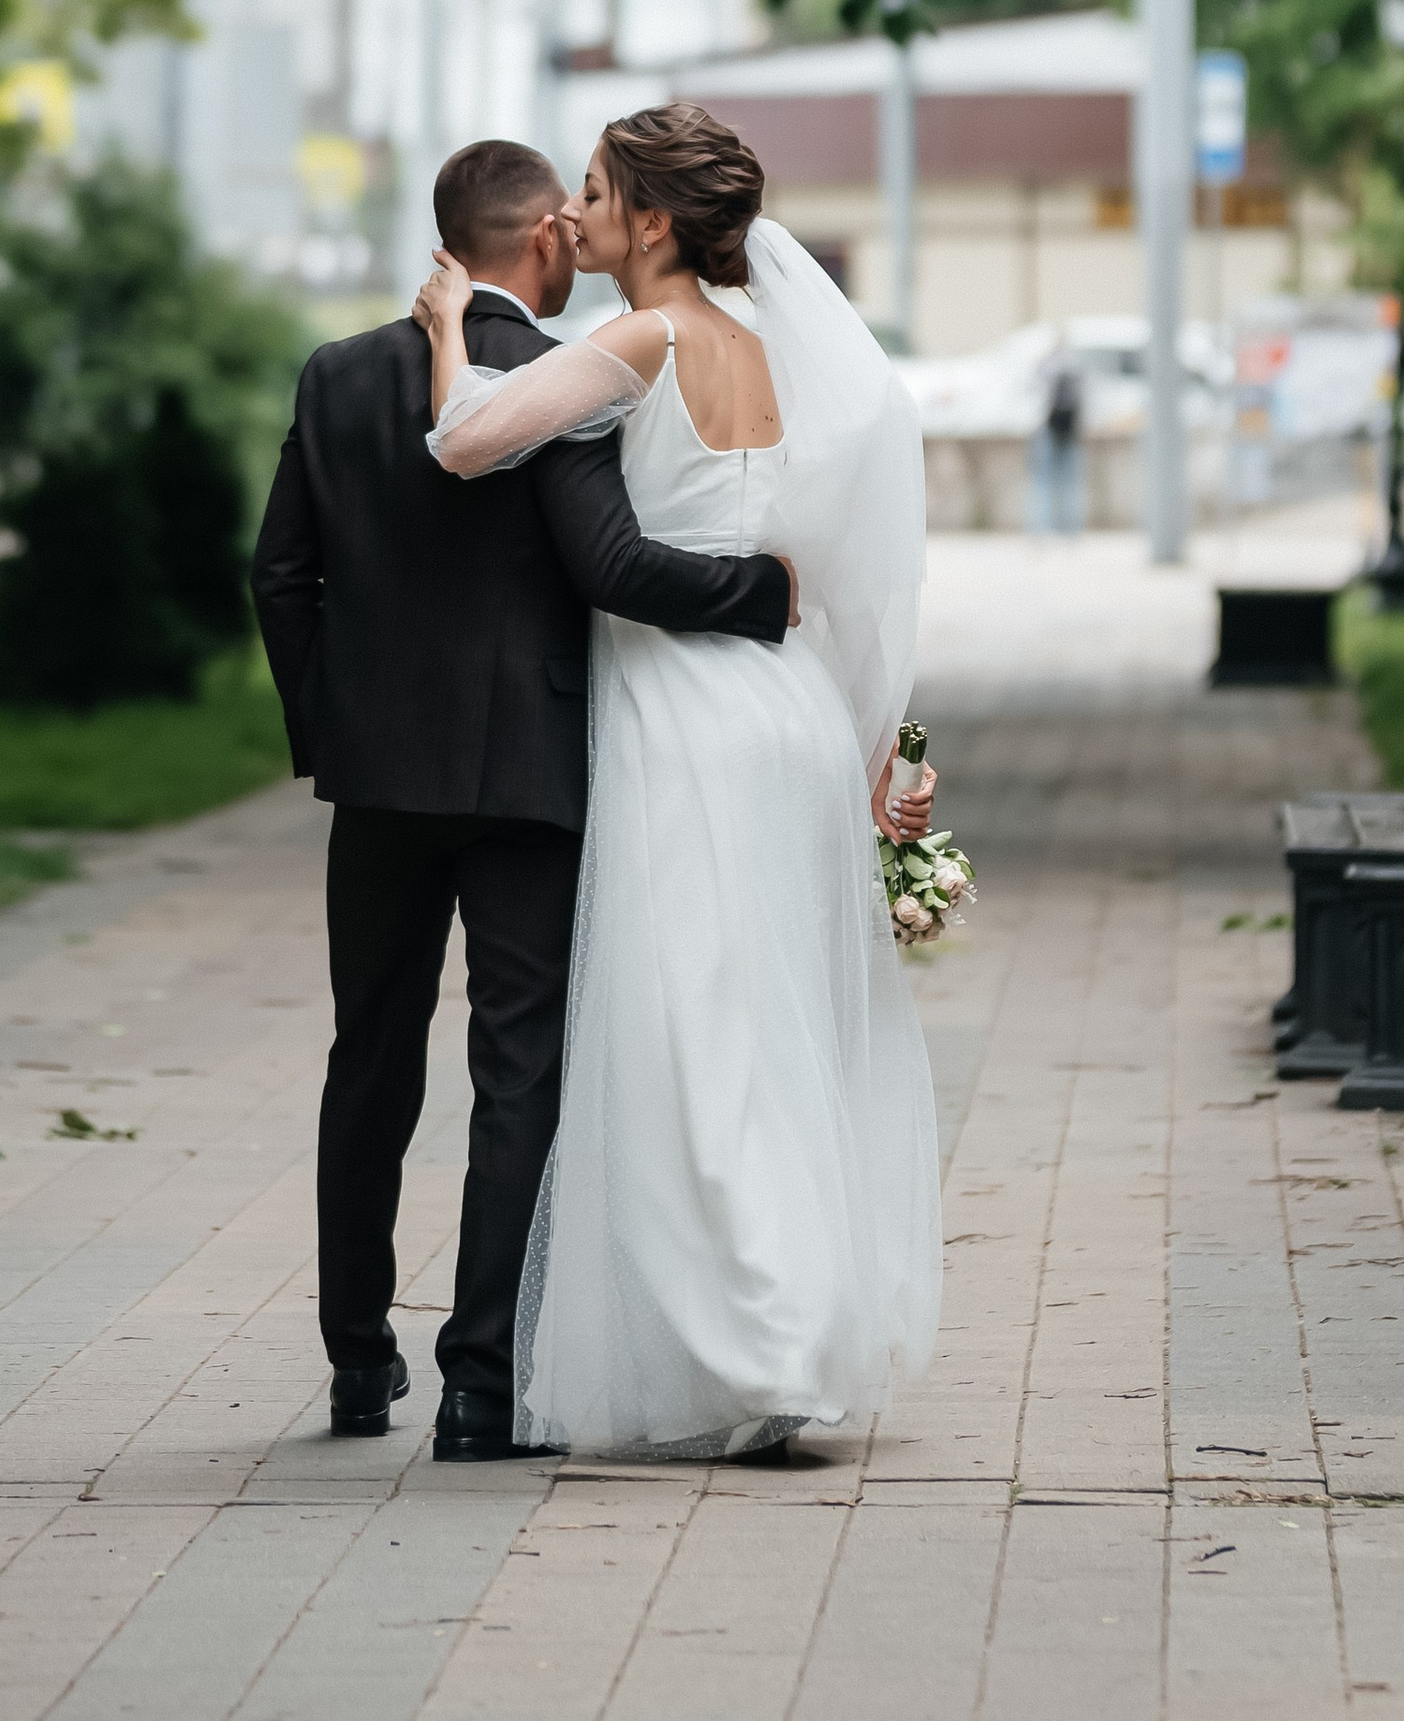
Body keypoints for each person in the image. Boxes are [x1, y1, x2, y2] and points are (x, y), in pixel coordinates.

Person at [250, 136, 801, 1466]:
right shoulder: (562, 381)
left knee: (366, 1055)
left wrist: (338, 731)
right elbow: (601, 558)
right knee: (520, 1070)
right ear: (543, 241)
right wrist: (764, 596)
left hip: (380, 779)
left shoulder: (336, 374)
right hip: (530, 775)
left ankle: (355, 1354)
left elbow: (283, 575)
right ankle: (479, 1383)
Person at [417, 101, 942, 1463]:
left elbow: (468, 440)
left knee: (693, 1030)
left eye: (594, 189)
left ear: (651, 219)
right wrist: (880, 743)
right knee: (768, 1028)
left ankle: (762, 1343)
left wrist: (442, 331)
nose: (575, 213)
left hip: (685, 717)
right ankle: (792, 1328)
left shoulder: (639, 337)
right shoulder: (771, 348)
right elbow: (828, 571)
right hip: (785, 714)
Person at [1026, 333, 1086, 534]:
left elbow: (1037, 396)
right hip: (1069, 428)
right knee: (1070, 482)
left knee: (1043, 482)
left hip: (1048, 426)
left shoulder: (1046, 364)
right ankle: (1071, 531)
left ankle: (1041, 530)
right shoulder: (1075, 364)